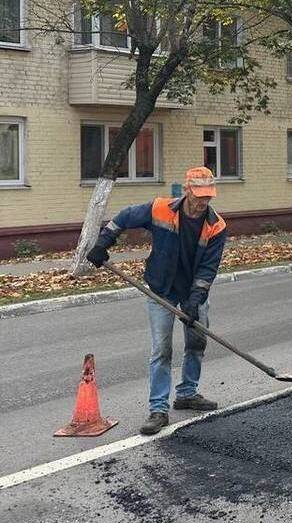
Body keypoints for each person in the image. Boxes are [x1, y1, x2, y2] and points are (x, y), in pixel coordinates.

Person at [86, 166, 228, 435]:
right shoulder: (160, 209)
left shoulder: (216, 226)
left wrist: (195, 299)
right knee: (162, 350)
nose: (202, 203)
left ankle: (187, 393)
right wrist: (103, 243)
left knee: (197, 343)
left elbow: (208, 268)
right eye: (198, 196)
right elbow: (124, 217)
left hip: (192, 292)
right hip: (160, 289)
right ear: (187, 191)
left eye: (207, 197)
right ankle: (158, 409)